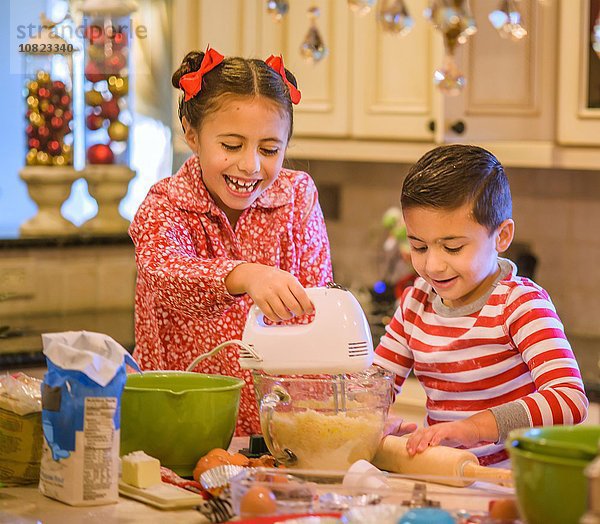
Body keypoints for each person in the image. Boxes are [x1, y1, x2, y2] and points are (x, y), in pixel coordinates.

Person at [129, 47, 333, 436]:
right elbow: (165, 275)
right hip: (179, 422)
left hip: (278, 428)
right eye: (232, 145)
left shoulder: (297, 197)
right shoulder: (165, 204)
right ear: (192, 135)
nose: (251, 165)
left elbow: (316, 309)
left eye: (270, 149)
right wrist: (244, 275)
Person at [375, 144, 588, 466]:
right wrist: (372, 416)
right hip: (441, 474)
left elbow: (569, 399)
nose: (433, 265)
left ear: (501, 237)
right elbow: (377, 383)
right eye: (418, 246)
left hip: (509, 485)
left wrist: (475, 428)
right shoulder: (416, 301)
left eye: (453, 247)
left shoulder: (520, 305)